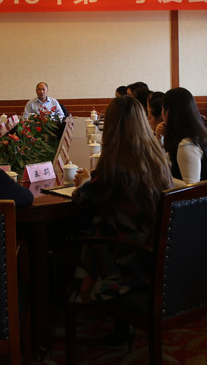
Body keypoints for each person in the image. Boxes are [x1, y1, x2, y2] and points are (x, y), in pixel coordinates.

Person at [70, 96, 173, 307]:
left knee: (67, 235)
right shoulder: (157, 158)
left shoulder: (116, 166)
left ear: (111, 127)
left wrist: (84, 180)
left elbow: (82, 199)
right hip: (158, 253)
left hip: (126, 262)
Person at [156, 87, 207, 186]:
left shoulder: (187, 144)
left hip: (201, 195)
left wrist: (161, 176)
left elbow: (191, 187)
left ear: (168, 112)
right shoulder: (191, 134)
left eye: (162, 110)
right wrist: (159, 138)